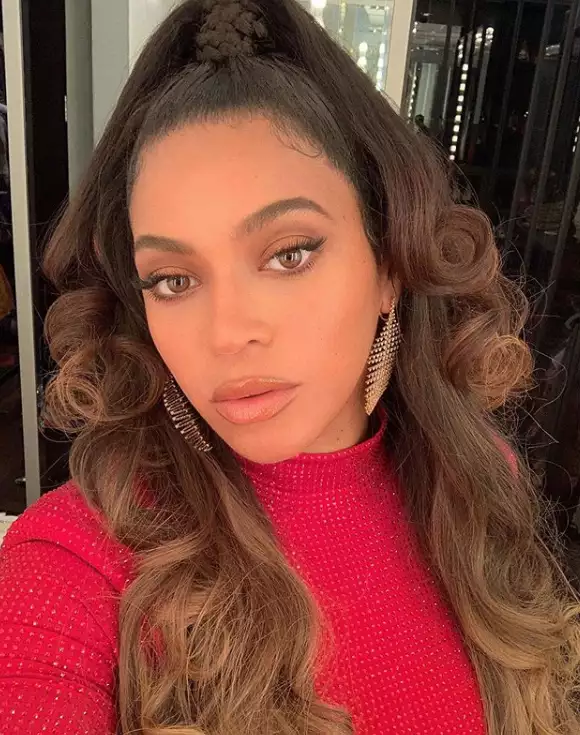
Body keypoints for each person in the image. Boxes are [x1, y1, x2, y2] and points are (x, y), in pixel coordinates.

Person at [0, 1, 579, 733]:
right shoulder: (73, 561)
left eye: (289, 254)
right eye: (174, 279)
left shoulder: (480, 475)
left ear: (390, 264)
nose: (228, 333)